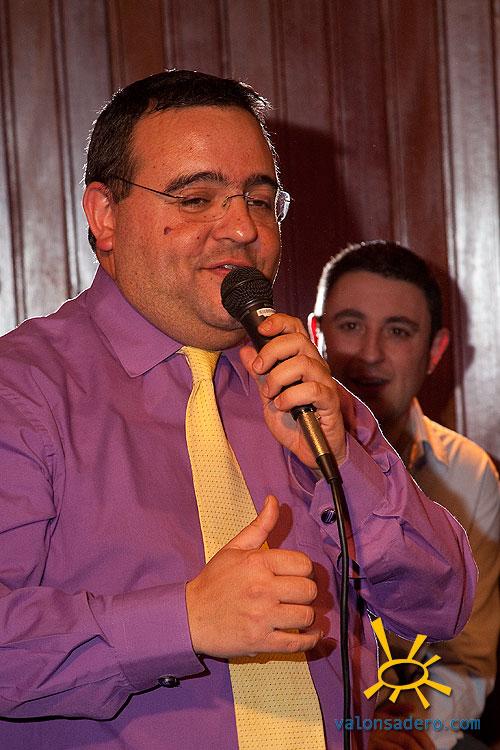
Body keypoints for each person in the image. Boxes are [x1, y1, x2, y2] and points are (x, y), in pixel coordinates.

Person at [0, 72, 476, 750]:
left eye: (259, 199)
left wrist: (346, 463)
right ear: (104, 215)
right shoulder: (21, 390)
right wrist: (185, 621)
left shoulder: (303, 386)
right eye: (196, 199)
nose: (243, 229)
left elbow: (441, 605)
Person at [310, 240, 500, 750]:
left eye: (398, 331)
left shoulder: (467, 474)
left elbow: (468, 661)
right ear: (316, 335)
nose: (370, 353)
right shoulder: (260, 453)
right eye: (350, 325)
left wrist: (403, 730)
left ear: (435, 351)